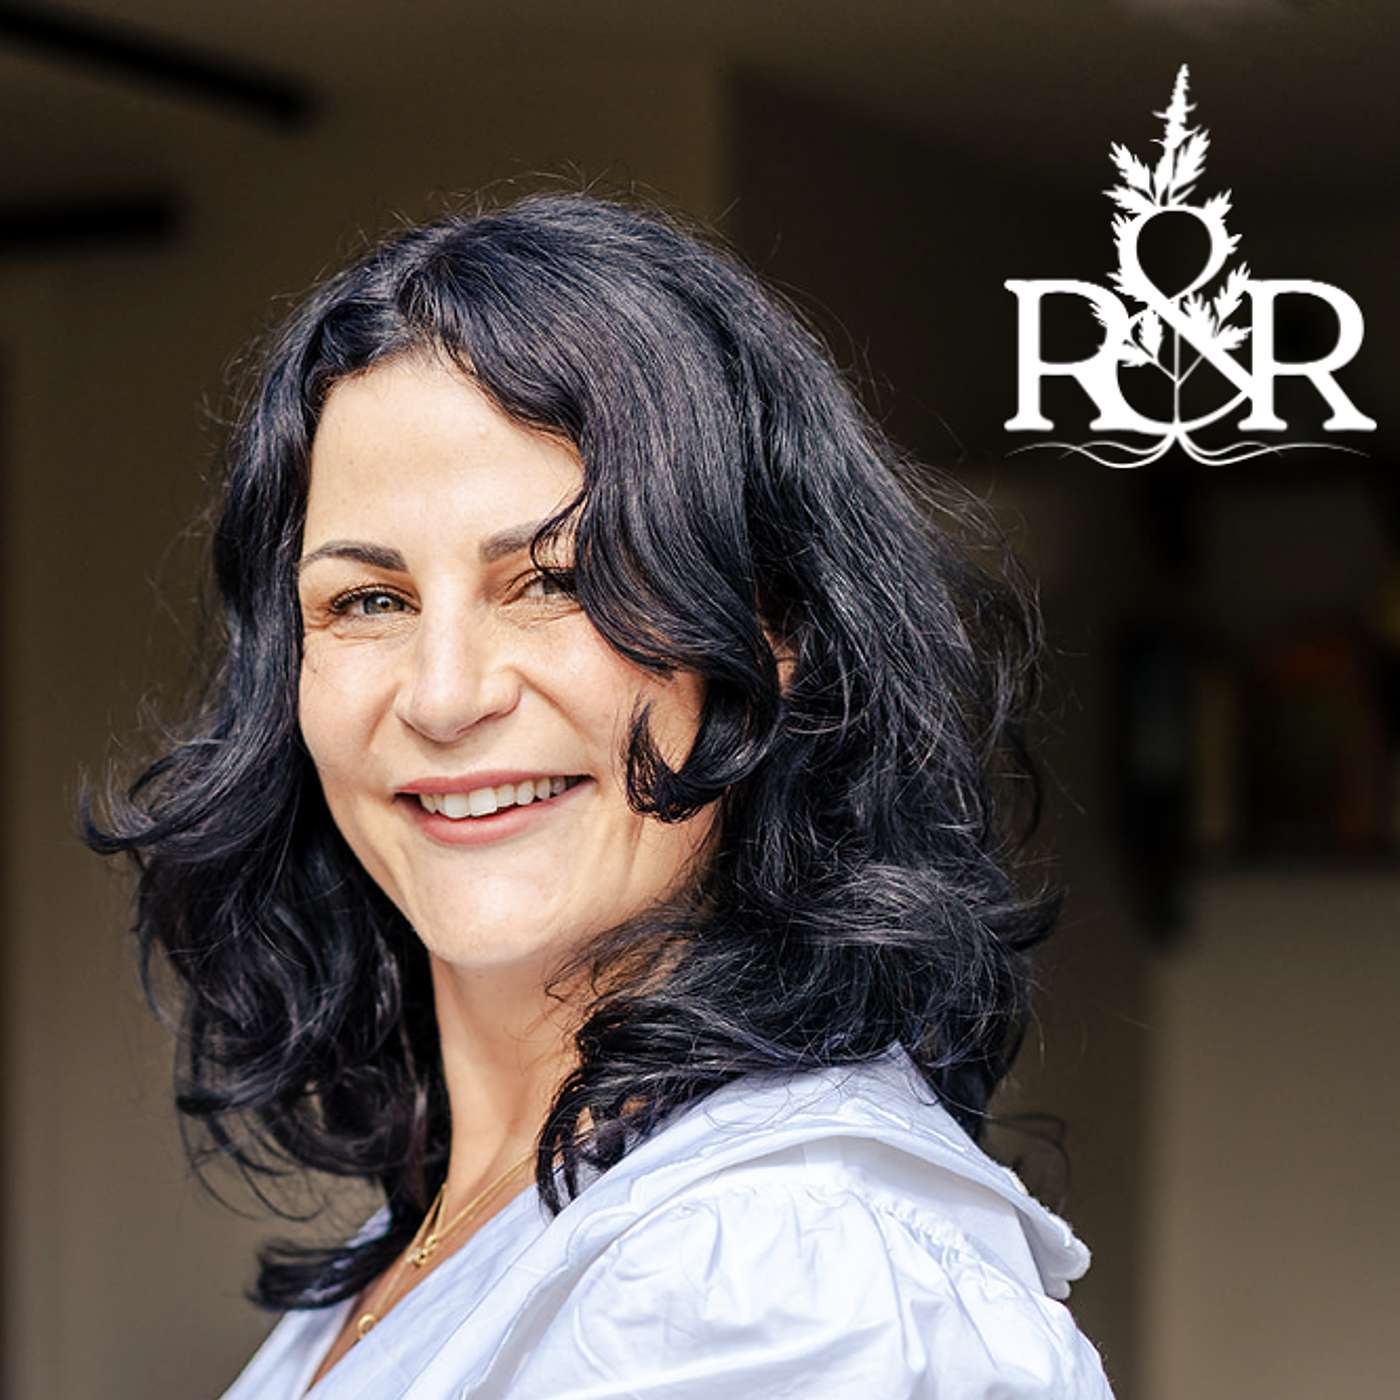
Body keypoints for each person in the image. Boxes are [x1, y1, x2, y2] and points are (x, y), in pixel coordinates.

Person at [84, 189, 1117, 1398]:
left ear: (774, 633)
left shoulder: (772, 1269)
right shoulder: (474, 1223)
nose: (445, 694)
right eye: (369, 600)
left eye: (555, 580)